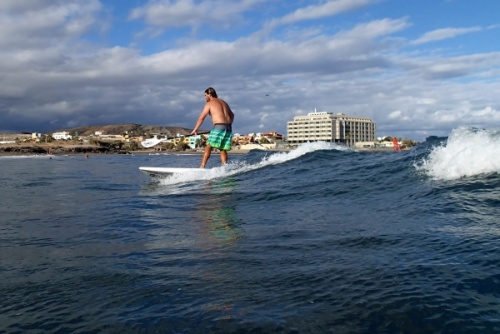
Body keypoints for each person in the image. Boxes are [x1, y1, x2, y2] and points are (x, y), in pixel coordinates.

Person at [191, 87, 235, 168]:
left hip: (219, 126)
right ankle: (224, 167)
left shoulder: (209, 103)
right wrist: (227, 124)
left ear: (209, 94)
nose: (204, 97)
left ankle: (202, 166)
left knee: (209, 145)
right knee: (222, 148)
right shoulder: (224, 102)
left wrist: (195, 129)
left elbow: (202, 117)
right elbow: (232, 115)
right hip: (228, 127)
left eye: (205, 95)